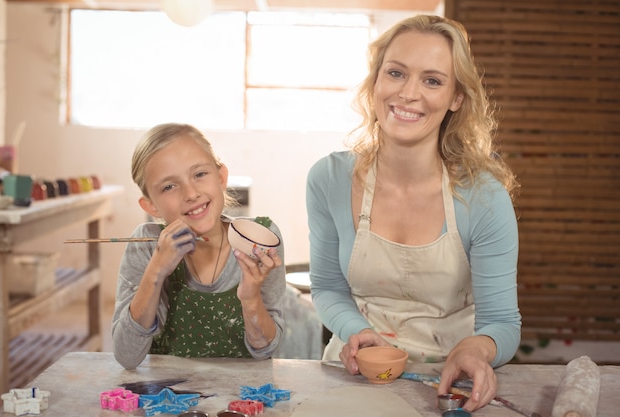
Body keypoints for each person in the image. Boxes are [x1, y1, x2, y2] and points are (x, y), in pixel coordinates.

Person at [306, 15, 520, 411]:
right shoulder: (329, 179)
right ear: (376, 83)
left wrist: (476, 348)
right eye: (396, 73)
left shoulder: (484, 196)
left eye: (433, 80)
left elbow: (502, 323)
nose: (408, 93)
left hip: (451, 385)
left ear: (456, 98)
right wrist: (359, 332)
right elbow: (328, 289)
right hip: (352, 378)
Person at [112, 123, 286, 369]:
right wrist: (156, 272)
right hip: (169, 398)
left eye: (200, 174)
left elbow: (264, 351)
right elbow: (126, 357)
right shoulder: (147, 245)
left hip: (243, 401)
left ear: (221, 177)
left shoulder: (260, 238)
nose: (191, 193)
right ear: (150, 206)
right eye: (169, 186)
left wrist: (250, 298)